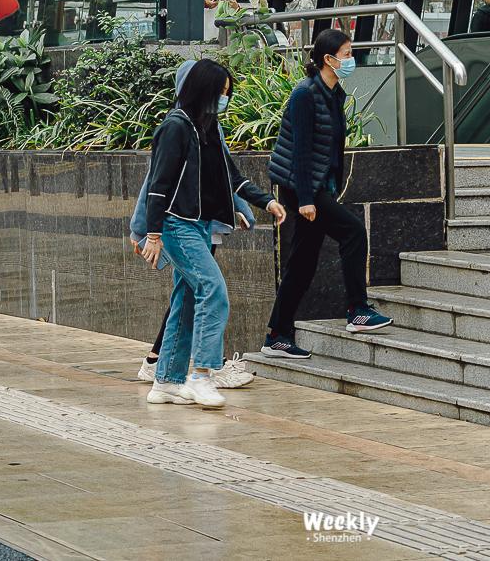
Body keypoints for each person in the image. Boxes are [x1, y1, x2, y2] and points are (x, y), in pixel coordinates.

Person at [138, 58, 286, 407]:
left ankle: (166, 382)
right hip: (177, 224)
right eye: (221, 92)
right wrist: (152, 234)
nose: (224, 99)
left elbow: (231, 176)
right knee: (213, 290)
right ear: (203, 90)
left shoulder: (206, 127)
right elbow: (157, 185)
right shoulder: (175, 127)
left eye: (227, 93)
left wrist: (265, 201)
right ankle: (201, 375)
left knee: (187, 299)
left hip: (200, 225)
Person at [261, 28, 391, 358]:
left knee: (302, 263)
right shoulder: (305, 94)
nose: (351, 60)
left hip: (319, 186)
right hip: (301, 187)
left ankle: (277, 335)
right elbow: (301, 151)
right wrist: (306, 199)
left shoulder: (334, 94)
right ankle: (357, 310)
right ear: (328, 59)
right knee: (353, 232)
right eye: (347, 54)